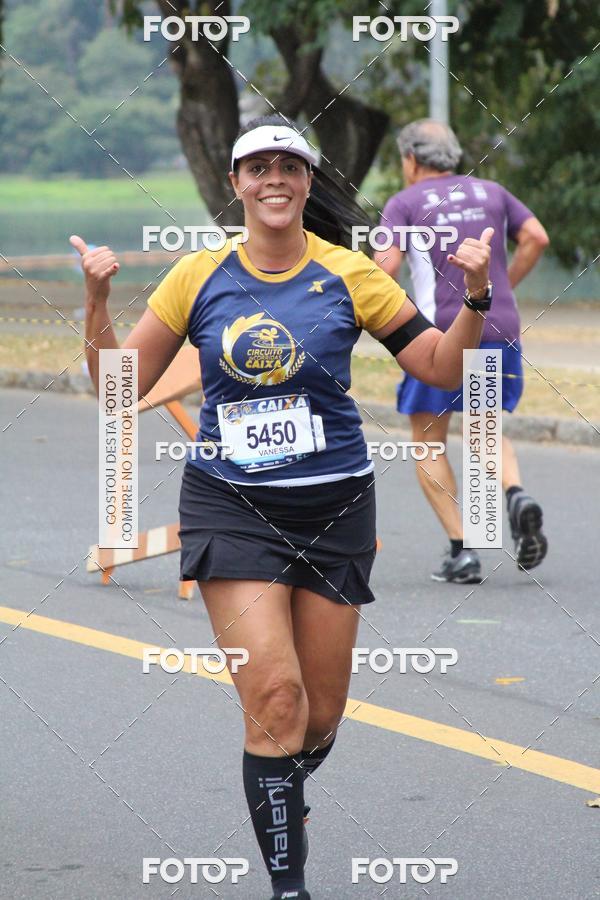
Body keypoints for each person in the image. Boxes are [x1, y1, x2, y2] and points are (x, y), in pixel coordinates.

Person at [71, 114, 493, 900]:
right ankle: (288, 886)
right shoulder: (197, 277)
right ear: (235, 185)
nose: (274, 179)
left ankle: (282, 792)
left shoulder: (350, 273)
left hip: (336, 511)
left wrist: (475, 296)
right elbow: (117, 387)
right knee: (276, 699)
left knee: (319, 719)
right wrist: (96, 301)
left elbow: (436, 362)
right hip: (232, 508)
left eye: (288, 168)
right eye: (257, 167)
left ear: (305, 184)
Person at [375, 118, 550, 584]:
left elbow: (385, 267)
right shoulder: (491, 191)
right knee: (483, 427)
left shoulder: (403, 203)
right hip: (496, 325)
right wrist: (502, 286)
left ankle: (463, 551)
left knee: (429, 441)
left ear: (411, 160)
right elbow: (537, 237)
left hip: (437, 338)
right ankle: (514, 493)